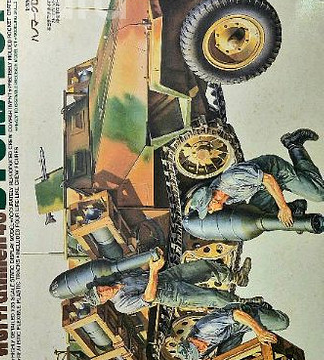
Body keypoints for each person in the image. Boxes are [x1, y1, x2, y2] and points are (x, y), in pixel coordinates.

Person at [184, 129, 322, 227]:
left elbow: (268, 179)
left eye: (209, 208)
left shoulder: (232, 179)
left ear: (213, 199)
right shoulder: (226, 198)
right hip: (262, 187)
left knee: (319, 194)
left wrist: (283, 207)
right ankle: (296, 208)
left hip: (275, 172)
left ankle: (294, 144)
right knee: (257, 216)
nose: (211, 211)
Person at [90, 248, 252, 316]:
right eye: (101, 295)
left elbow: (141, 269)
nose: (103, 291)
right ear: (103, 302)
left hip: (167, 277)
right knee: (213, 297)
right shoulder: (121, 305)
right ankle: (244, 306)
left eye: (99, 289)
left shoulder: (120, 279)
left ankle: (236, 278)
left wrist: (153, 257)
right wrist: (154, 270)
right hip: (171, 295)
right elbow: (149, 297)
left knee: (204, 267)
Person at [174, 301, 290, 360]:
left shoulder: (206, 327)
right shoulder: (197, 353)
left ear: (190, 339)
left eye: (197, 347)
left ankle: (256, 305)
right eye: (198, 352)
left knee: (283, 323)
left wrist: (260, 332)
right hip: (230, 334)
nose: (202, 349)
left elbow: (237, 314)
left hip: (240, 318)